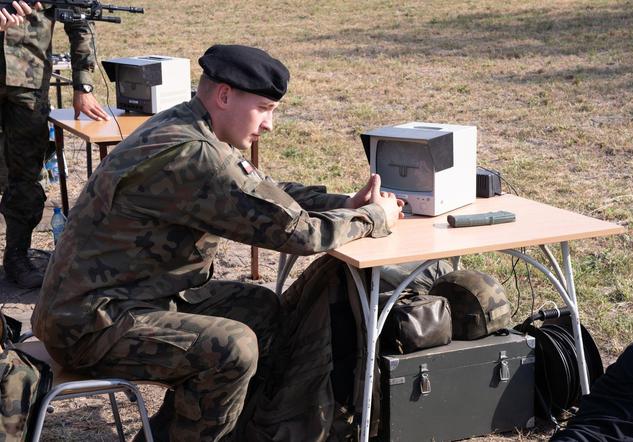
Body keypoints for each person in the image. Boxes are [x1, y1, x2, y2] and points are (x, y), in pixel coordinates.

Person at [31, 44, 403, 441]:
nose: (269, 125)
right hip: (88, 326)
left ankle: (197, 430)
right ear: (224, 96)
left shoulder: (186, 125)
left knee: (259, 309)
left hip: (121, 299)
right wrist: (374, 218)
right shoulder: (194, 153)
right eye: (263, 108)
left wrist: (342, 204)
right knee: (232, 348)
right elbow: (299, 234)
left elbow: (259, 191)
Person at [0, 1, 109, 289]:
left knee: (25, 176)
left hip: (28, 85)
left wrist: (82, 85)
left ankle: (16, 257)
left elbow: (79, 18)